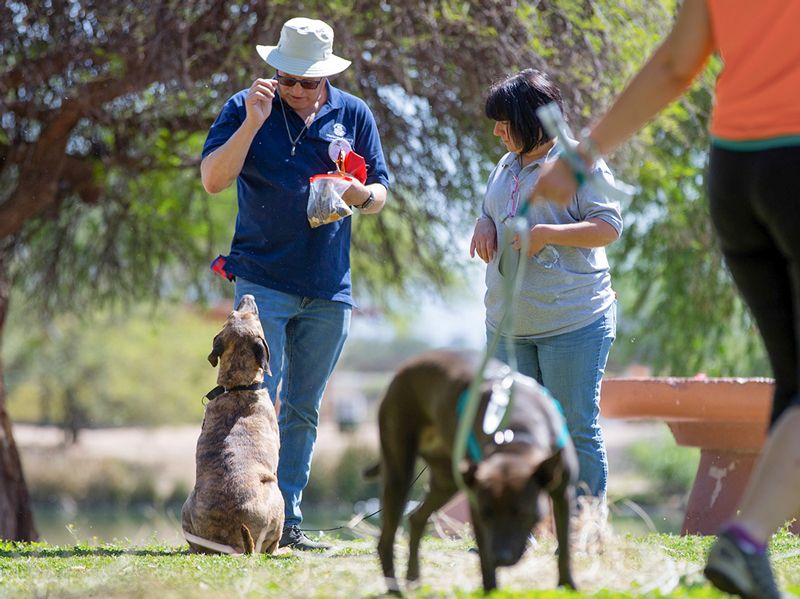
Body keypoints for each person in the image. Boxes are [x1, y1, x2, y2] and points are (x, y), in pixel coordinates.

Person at [531, 1, 800, 597]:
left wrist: (582, 156)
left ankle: (749, 557)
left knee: (794, 380)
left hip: (737, 173)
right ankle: (747, 540)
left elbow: (678, 64)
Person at [200, 17, 390, 551]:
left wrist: (359, 195)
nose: (300, 91)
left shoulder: (353, 114)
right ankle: (242, 513)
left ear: (328, 76)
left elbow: (380, 194)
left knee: (303, 405)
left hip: (330, 287)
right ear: (275, 70)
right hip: (262, 282)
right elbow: (214, 180)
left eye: (311, 82)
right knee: (256, 400)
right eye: (290, 79)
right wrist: (253, 123)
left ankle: (288, 523)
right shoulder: (245, 106)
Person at [469, 69, 622, 499]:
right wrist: (484, 223)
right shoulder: (505, 164)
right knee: (514, 430)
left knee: (575, 427)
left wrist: (547, 235)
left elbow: (608, 227)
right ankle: (523, 525)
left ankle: (584, 526)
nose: (497, 131)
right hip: (508, 327)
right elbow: (491, 207)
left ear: (533, 121)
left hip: (573, 323)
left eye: (505, 122)